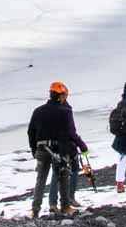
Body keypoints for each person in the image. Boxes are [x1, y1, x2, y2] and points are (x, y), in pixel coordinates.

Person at [27, 81, 84, 218]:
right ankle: (65, 207)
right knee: (63, 177)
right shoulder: (64, 112)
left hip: (41, 148)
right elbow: (70, 133)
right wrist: (77, 148)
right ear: (61, 96)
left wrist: (34, 149)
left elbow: (31, 132)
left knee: (40, 180)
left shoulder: (38, 111)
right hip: (59, 149)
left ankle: (35, 210)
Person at [48, 86, 89, 211]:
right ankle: (69, 198)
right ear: (61, 95)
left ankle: (53, 203)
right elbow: (71, 130)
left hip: (52, 146)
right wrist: (81, 144)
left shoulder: (47, 109)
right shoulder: (65, 110)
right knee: (73, 171)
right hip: (67, 146)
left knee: (56, 174)